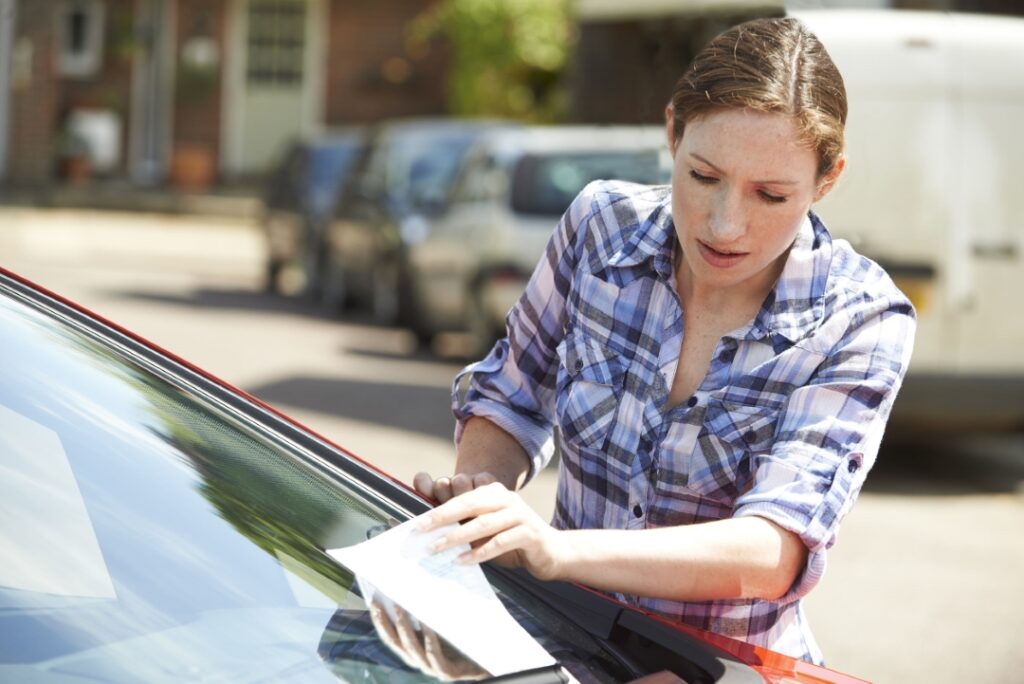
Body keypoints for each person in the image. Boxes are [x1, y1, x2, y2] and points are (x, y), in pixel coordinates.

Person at [413, 17, 916, 665]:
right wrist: (479, 502)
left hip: (724, 666)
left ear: (827, 180)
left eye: (770, 194)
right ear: (673, 132)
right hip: (564, 638)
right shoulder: (599, 227)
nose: (726, 223)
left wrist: (558, 552)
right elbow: (511, 392)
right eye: (704, 176)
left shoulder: (862, 317)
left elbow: (774, 548)